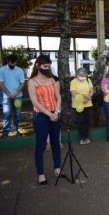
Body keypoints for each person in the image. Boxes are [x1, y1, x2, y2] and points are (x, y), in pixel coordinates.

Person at [27, 55, 62, 185]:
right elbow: (34, 102)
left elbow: (58, 97)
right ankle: (40, 174)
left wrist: (56, 112)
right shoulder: (32, 82)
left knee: (55, 143)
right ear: (38, 66)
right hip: (41, 116)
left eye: (48, 66)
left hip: (55, 114)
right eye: (45, 66)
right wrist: (49, 114)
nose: (47, 68)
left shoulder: (52, 80)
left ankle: (57, 168)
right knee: (40, 145)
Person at [0, 54, 25, 138]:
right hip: (6, 97)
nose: (13, 65)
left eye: (14, 63)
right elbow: (1, 83)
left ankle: (15, 130)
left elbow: (22, 83)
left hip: (18, 96)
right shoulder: (2, 69)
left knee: (17, 115)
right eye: (11, 63)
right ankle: (5, 132)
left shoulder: (20, 70)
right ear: (8, 61)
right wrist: (8, 94)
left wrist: (15, 93)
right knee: (6, 114)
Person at [70, 68, 94, 145]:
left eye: (84, 75)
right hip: (78, 105)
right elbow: (74, 94)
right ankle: (81, 138)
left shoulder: (88, 80)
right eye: (81, 75)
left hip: (88, 104)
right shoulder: (73, 82)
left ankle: (87, 137)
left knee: (87, 121)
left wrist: (89, 96)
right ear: (77, 74)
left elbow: (92, 90)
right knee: (80, 122)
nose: (83, 76)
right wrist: (86, 96)